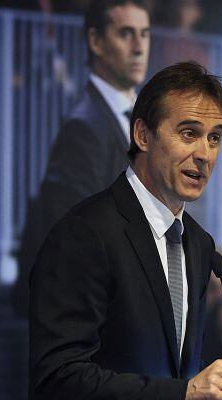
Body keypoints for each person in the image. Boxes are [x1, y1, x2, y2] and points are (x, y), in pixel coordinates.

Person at [11, 62, 222, 400]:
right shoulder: (85, 233)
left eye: (215, 137)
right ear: (143, 135)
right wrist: (184, 394)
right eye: (188, 133)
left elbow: (176, 373)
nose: (204, 153)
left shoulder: (198, 245)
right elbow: (58, 377)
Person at [14, 0, 151, 316]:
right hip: (99, 318)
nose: (138, 47)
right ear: (95, 41)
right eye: (126, 34)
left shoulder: (138, 120)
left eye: (144, 34)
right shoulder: (84, 126)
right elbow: (76, 234)